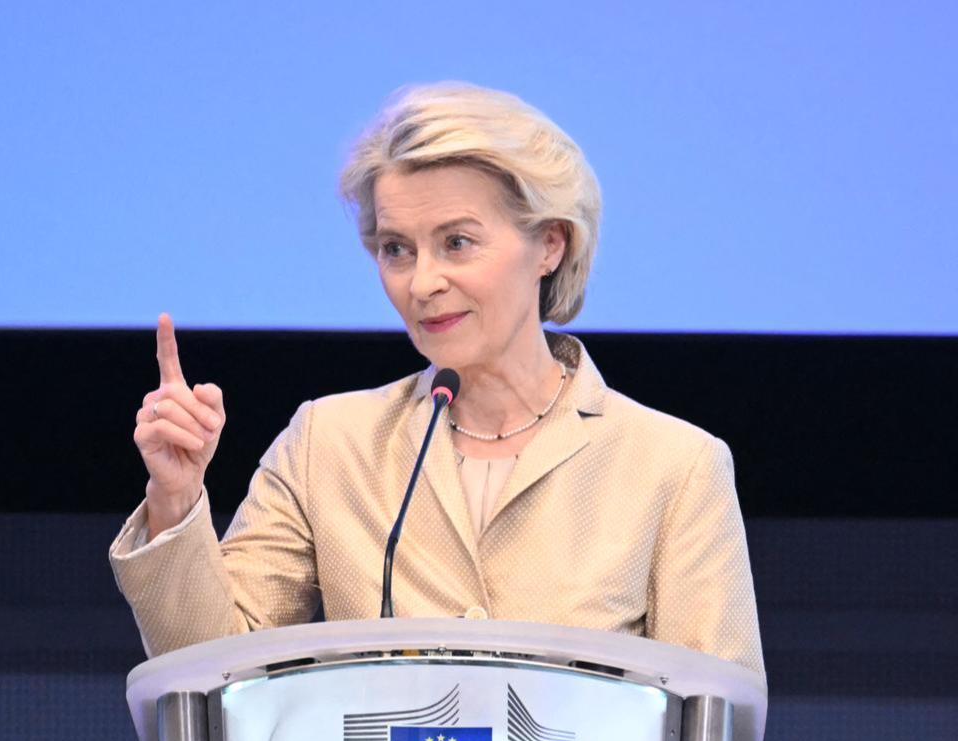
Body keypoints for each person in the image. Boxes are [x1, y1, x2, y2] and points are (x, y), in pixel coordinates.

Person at [109, 82, 765, 677]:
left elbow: (715, 737)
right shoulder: (327, 444)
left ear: (551, 243)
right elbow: (208, 679)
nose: (422, 282)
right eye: (397, 249)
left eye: (457, 242)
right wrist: (176, 497)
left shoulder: (673, 466)